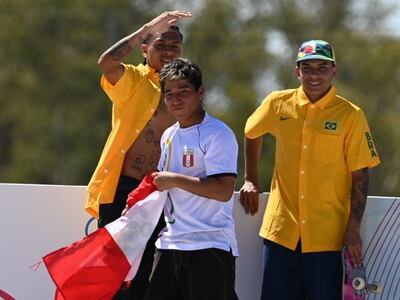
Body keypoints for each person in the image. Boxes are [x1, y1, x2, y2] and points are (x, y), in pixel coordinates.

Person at [239, 40, 381, 300]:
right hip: (281, 233)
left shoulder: (351, 115)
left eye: (322, 67)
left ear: (333, 71)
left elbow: (360, 174)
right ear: (297, 72)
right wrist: (250, 178)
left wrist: (353, 229)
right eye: (308, 68)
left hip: (327, 236)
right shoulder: (278, 103)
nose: (315, 75)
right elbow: (251, 132)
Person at [85, 11, 192, 300]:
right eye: (160, 46)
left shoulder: (184, 89)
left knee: (154, 279)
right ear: (145, 50)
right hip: (124, 189)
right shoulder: (133, 79)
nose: (168, 52)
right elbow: (106, 63)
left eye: (174, 47)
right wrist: (146, 28)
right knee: (118, 277)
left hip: (162, 195)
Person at [142, 58, 239, 300]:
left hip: (209, 244)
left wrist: (175, 179)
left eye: (183, 92)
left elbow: (223, 190)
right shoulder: (168, 135)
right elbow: (162, 185)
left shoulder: (218, 134)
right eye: (169, 93)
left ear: (200, 92)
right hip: (169, 244)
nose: (175, 99)